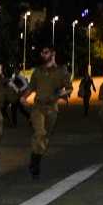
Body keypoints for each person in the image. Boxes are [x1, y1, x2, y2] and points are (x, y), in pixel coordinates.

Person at [21, 47, 72, 179]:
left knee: (45, 137)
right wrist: (23, 97)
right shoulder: (38, 71)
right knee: (40, 132)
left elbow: (69, 88)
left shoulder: (62, 71)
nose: (43, 54)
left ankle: (35, 158)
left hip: (52, 108)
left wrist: (62, 93)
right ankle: (35, 163)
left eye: (45, 52)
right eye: (42, 52)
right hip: (38, 107)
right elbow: (31, 87)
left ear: (53, 54)